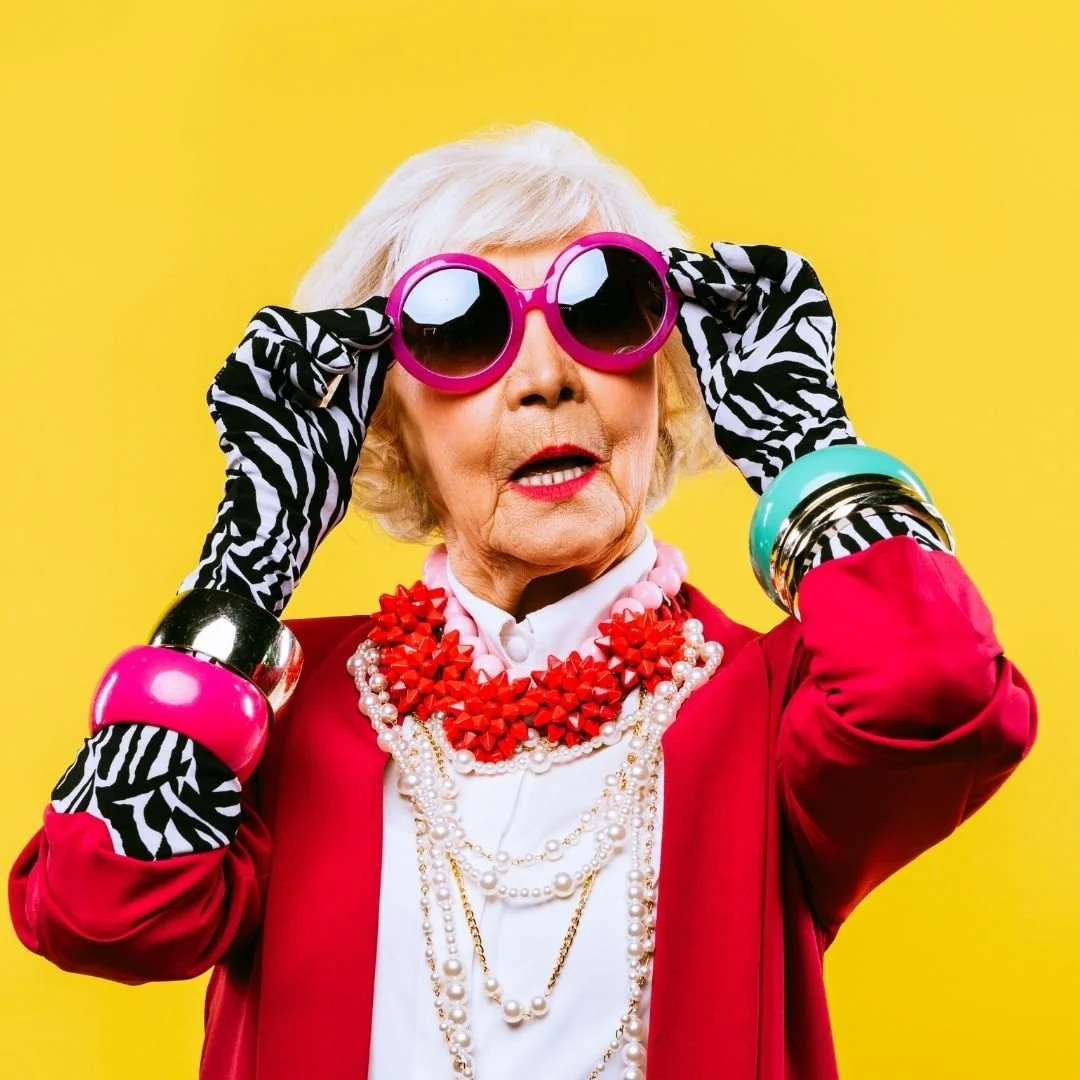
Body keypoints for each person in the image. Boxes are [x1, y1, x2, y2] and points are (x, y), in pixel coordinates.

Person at [8, 123, 1037, 1080]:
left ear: (672, 379)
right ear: (379, 422)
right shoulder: (284, 715)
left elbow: (936, 690)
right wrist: (250, 557)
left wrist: (806, 441)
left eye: (605, 312)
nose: (548, 379)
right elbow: (103, 908)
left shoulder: (764, 706)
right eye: (459, 331)